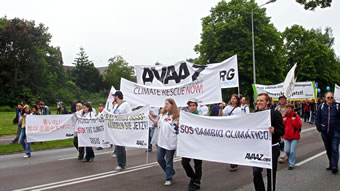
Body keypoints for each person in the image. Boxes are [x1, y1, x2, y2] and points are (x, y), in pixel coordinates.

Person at [253, 93, 284, 191]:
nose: (259, 102)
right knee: (256, 172)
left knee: (271, 174)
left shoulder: (275, 114)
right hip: (258, 148)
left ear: (267, 102)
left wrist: (274, 131)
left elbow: (282, 131)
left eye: (261, 100)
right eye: (258, 100)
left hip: (272, 147)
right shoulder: (255, 115)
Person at [150, 98, 179, 186]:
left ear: (172, 105)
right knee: (159, 159)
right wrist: (150, 117)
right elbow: (157, 124)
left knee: (169, 161)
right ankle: (170, 172)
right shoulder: (162, 115)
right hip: (161, 141)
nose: (165, 105)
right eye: (165, 104)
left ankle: (168, 178)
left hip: (171, 141)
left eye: (168, 104)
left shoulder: (176, 115)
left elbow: (178, 127)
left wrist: (178, 122)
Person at [316, 92, 340, 174]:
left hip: (335, 132)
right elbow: (317, 117)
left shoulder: (337, 106)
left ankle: (334, 166)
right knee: (328, 149)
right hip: (325, 132)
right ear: (325, 98)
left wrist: (338, 128)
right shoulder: (321, 106)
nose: (330, 99)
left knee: (334, 148)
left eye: (331, 97)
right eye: (328, 97)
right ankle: (331, 162)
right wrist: (319, 127)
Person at [181, 98, 203, 191]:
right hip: (188, 143)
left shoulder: (201, 116)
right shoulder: (186, 116)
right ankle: (193, 177)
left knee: (197, 164)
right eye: (190, 106)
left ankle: (197, 181)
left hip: (198, 143)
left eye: (193, 105)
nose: (192, 107)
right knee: (184, 162)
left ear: (196, 106)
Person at [219, 94, 242, 171]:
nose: (233, 100)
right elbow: (221, 116)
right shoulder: (227, 108)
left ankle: (234, 162)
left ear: (237, 100)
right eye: (232, 98)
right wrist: (220, 108)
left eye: (234, 98)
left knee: (234, 146)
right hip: (227, 129)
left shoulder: (239, 109)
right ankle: (232, 160)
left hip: (235, 130)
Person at [112, 91, 132, 170]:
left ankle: (121, 164)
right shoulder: (116, 105)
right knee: (118, 145)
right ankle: (120, 163)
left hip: (122, 128)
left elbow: (128, 114)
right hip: (117, 127)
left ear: (116, 96)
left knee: (120, 146)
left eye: (114, 96)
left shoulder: (125, 104)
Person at [282, 104, 302, 170]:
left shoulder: (296, 116)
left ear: (292, 109)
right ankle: (290, 158)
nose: (288, 109)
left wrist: (293, 120)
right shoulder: (285, 116)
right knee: (287, 150)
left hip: (294, 136)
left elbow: (299, 126)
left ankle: (291, 164)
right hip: (286, 136)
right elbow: (282, 125)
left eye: (290, 108)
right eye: (287, 108)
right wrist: (284, 120)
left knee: (292, 151)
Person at [275, 96, 287, 164]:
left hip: (288, 127)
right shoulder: (277, 108)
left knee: (287, 141)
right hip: (280, 126)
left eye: (283, 99)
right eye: (280, 100)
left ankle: (288, 153)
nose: (282, 101)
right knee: (281, 142)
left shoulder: (288, 107)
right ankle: (282, 156)